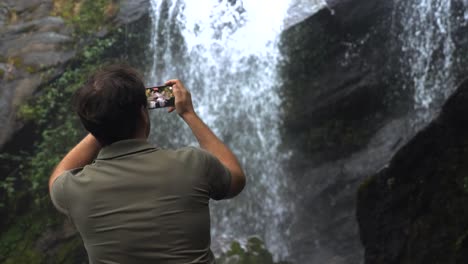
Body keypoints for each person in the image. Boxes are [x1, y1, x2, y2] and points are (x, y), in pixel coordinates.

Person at [48, 65, 246, 264]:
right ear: (143, 114)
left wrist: (103, 122)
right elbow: (236, 177)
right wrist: (188, 113)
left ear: (90, 126)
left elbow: (59, 174)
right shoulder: (195, 163)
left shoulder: (72, 189)